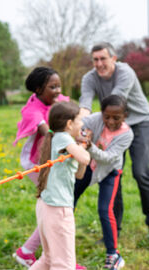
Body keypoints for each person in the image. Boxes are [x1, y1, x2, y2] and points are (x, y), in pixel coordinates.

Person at [79, 42, 149, 231]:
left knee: (141, 172)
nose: (99, 63)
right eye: (95, 60)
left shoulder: (125, 73)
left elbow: (116, 102)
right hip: (111, 122)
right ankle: (113, 227)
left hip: (139, 122)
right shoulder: (89, 78)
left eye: (103, 58)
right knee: (112, 172)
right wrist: (83, 129)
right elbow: (85, 105)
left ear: (114, 59)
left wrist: (98, 124)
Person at [12, 66, 75, 267]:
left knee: (54, 207)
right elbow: (49, 133)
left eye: (59, 86)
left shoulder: (58, 101)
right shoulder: (32, 110)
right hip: (35, 163)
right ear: (38, 89)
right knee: (53, 206)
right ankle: (40, 254)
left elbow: (74, 112)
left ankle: (30, 251)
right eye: (52, 87)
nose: (58, 91)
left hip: (52, 159)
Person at [29, 101, 90, 270]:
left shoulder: (59, 140)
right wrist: (82, 149)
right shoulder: (63, 138)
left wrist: (81, 149)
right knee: (64, 264)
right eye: (79, 120)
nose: (82, 124)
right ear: (70, 124)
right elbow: (85, 158)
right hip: (58, 209)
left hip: (47, 206)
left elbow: (79, 174)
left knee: (48, 259)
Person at [75, 95, 133, 269]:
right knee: (68, 199)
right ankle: (60, 240)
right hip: (89, 166)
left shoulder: (126, 134)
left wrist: (89, 145)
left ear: (125, 116)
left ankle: (113, 254)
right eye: (106, 116)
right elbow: (80, 125)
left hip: (110, 172)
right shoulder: (97, 119)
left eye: (116, 117)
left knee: (104, 210)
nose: (110, 121)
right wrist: (83, 134)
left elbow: (108, 158)